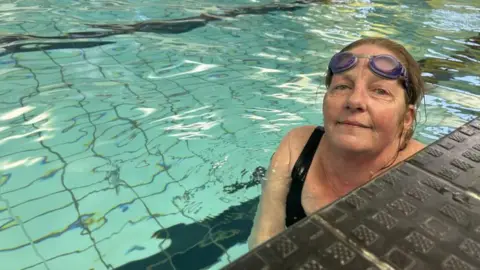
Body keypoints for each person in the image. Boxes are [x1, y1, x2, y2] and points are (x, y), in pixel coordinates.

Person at [247, 37, 427, 249]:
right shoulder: (297, 147)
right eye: (342, 86)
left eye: (380, 91)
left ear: (406, 118)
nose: (354, 101)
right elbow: (264, 239)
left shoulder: (425, 173)